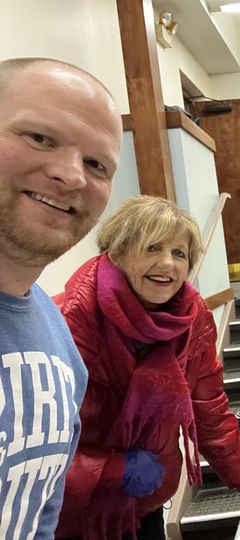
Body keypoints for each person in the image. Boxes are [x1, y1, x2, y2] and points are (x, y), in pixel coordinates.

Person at [54, 196, 240, 539]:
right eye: (151, 248)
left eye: (179, 253)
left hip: (144, 506)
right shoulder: (66, 323)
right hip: (73, 516)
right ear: (117, 252)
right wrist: (113, 471)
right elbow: (32, 448)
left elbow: (208, 409)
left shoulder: (191, 318)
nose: (167, 264)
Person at [0, 58, 122, 538]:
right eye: (39, 138)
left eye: (96, 164)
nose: (72, 176)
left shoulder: (57, 342)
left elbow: (35, 517)